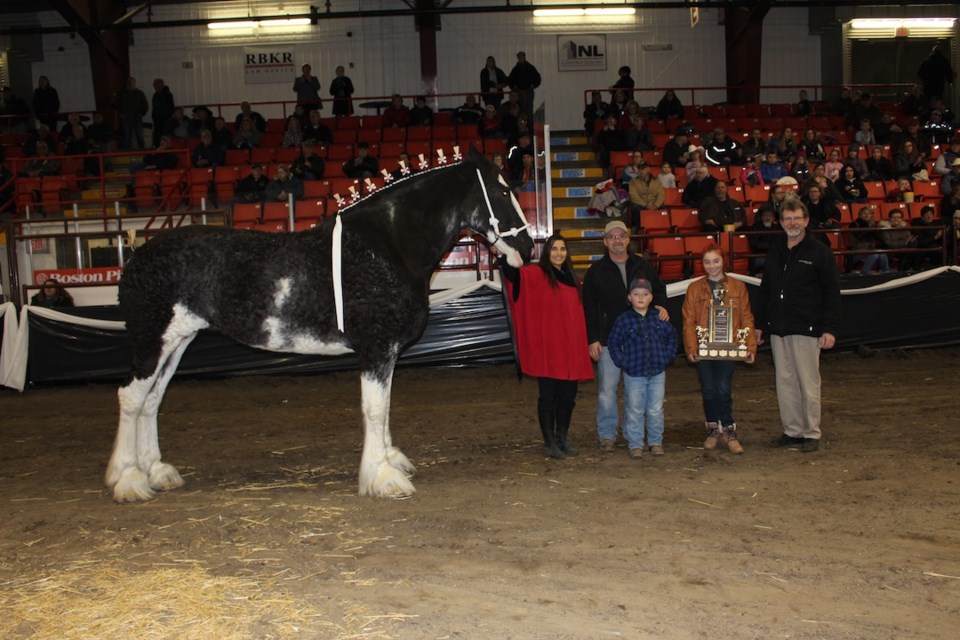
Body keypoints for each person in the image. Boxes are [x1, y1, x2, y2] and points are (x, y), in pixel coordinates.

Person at [756, 199, 841, 453]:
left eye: (797, 218)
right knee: (785, 382)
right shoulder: (775, 250)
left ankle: (811, 432)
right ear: (781, 222)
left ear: (805, 221)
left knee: (808, 382)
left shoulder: (820, 252)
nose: (792, 223)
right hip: (778, 329)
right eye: (787, 219)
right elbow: (766, 290)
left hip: (807, 328)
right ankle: (792, 431)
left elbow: (832, 293)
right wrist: (761, 325)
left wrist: (829, 328)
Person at [500, 234, 594, 458]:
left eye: (563, 249)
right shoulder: (536, 274)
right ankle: (549, 441)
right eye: (554, 249)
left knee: (568, 397)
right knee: (548, 396)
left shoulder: (573, 278)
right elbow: (514, 276)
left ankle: (562, 437)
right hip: (549, 351)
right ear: (546, 252)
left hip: (570, 349)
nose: (559, 253)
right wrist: (508, 256)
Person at [582, 220, 670, 453]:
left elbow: (660, 289)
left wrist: (661, 305)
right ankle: (608, 435)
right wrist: (593, 338)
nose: (617, 240)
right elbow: (589, 307)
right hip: (609, 340)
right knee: (607, 391)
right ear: (605, 241)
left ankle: (637, 437)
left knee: (637, 392)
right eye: (612, 236)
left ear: (628, 239)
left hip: (641, 342)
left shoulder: (642, 265)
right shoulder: (596, 271)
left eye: (621, 235)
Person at [682, 244, 756, 453]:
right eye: (707, 262)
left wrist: (749, 346)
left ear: (723, 261)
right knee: (708, 390)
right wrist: (691, 347)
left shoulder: (738, 287)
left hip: (729, 346)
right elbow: (688, 320)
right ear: (702, 264)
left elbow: (746, 317)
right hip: (704, 348)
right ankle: (713, 428)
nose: (712, 266)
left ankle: (729, 430)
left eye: (716, 261)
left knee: (723, 388)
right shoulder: (694, 288)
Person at [606, 277, 678, 458]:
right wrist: (623, 361)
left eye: (645, 294)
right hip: (634, 373)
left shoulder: (660, 317)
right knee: (635, 408)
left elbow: (672, 337)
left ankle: (655, 442)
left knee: (655, 409)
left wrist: (667, 357)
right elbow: (613, 342)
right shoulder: (623, 320)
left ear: (651, 297)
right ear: (629, 297)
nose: (640, 298)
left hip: (657, 372)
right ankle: (636, 443)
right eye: (636, 294)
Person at [846, 205, 890, 274]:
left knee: (882, 253)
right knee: (875, 254)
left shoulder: (871, 225)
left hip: (870, 249)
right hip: (857, 250)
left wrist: (879, 230)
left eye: (869, 214)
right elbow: (859, 237)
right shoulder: (854, 224)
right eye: (864, 213)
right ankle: (864, 272)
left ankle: (886, 272)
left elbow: (879, 239)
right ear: (860, 214)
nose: (866, 215)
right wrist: (869, 228)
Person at [627, 159, 664, 232]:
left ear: (649, 169)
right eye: (640, 168)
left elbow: (661, 195)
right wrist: (645, 205)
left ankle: (662, 230)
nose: (641, 171)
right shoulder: (633, 182)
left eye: (643, 168)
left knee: (664, 209)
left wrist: (656, 205)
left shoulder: (657, 181)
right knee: (637, 209)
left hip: (654, 204)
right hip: (641, 205)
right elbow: (633, 196)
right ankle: (639, 230)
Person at [115, 76, 149, 150]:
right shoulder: (122, 93)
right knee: (127, 137)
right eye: (128, 82)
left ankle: (142, 152)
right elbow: (117, 104)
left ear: (134, 83)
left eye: (131, 82)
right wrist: (121, 113)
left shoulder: (139, 93)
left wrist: (141, 113)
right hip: (126, 117)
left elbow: (145, 105)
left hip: (137, 117)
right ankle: (127, 154)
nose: (130, 83)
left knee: (140, 136)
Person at [747, 207, 781, 276]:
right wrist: (771, 246)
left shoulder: (778, 227)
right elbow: (755, 244)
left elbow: (780, 243)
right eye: (765, 215)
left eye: (770, 216)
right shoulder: (756, 227)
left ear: (774, 218)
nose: (768, 218)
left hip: (775, 254)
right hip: (759, 255)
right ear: (762, 217)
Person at [151, 79, 175, 148]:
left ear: (160, 85)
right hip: (157, 119)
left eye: (155, 85)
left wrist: (169, 116)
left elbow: (171, 106)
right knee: (157, 135)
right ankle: (158, 147)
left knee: (165, 135)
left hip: (165, 119)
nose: (154, 87)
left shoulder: (167, 95)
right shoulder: (155, 95)